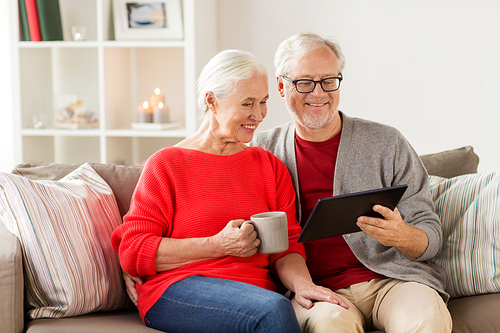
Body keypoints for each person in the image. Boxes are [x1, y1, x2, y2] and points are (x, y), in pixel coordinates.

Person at [111, 49, 347, 333]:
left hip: (255, 296)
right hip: (178, 289)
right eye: (247, 103)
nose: (258, 115)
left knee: (274, 306)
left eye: (263, 102)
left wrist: (304, 285)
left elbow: (288, 246)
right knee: (272, 309)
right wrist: (217, 245)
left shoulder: (269, 166)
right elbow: (134, 250)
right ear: (212, 101)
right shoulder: (167, 164)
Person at [249, 32, 452, 333]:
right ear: (281, 86)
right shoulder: (261, 151)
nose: (318, 94)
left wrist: (403, 235)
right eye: (305, 82)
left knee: (426, 321)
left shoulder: (387, 142)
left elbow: (431, 238)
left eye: (329, 81)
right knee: (329, 328)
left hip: (394, 282)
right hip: (319, 293)